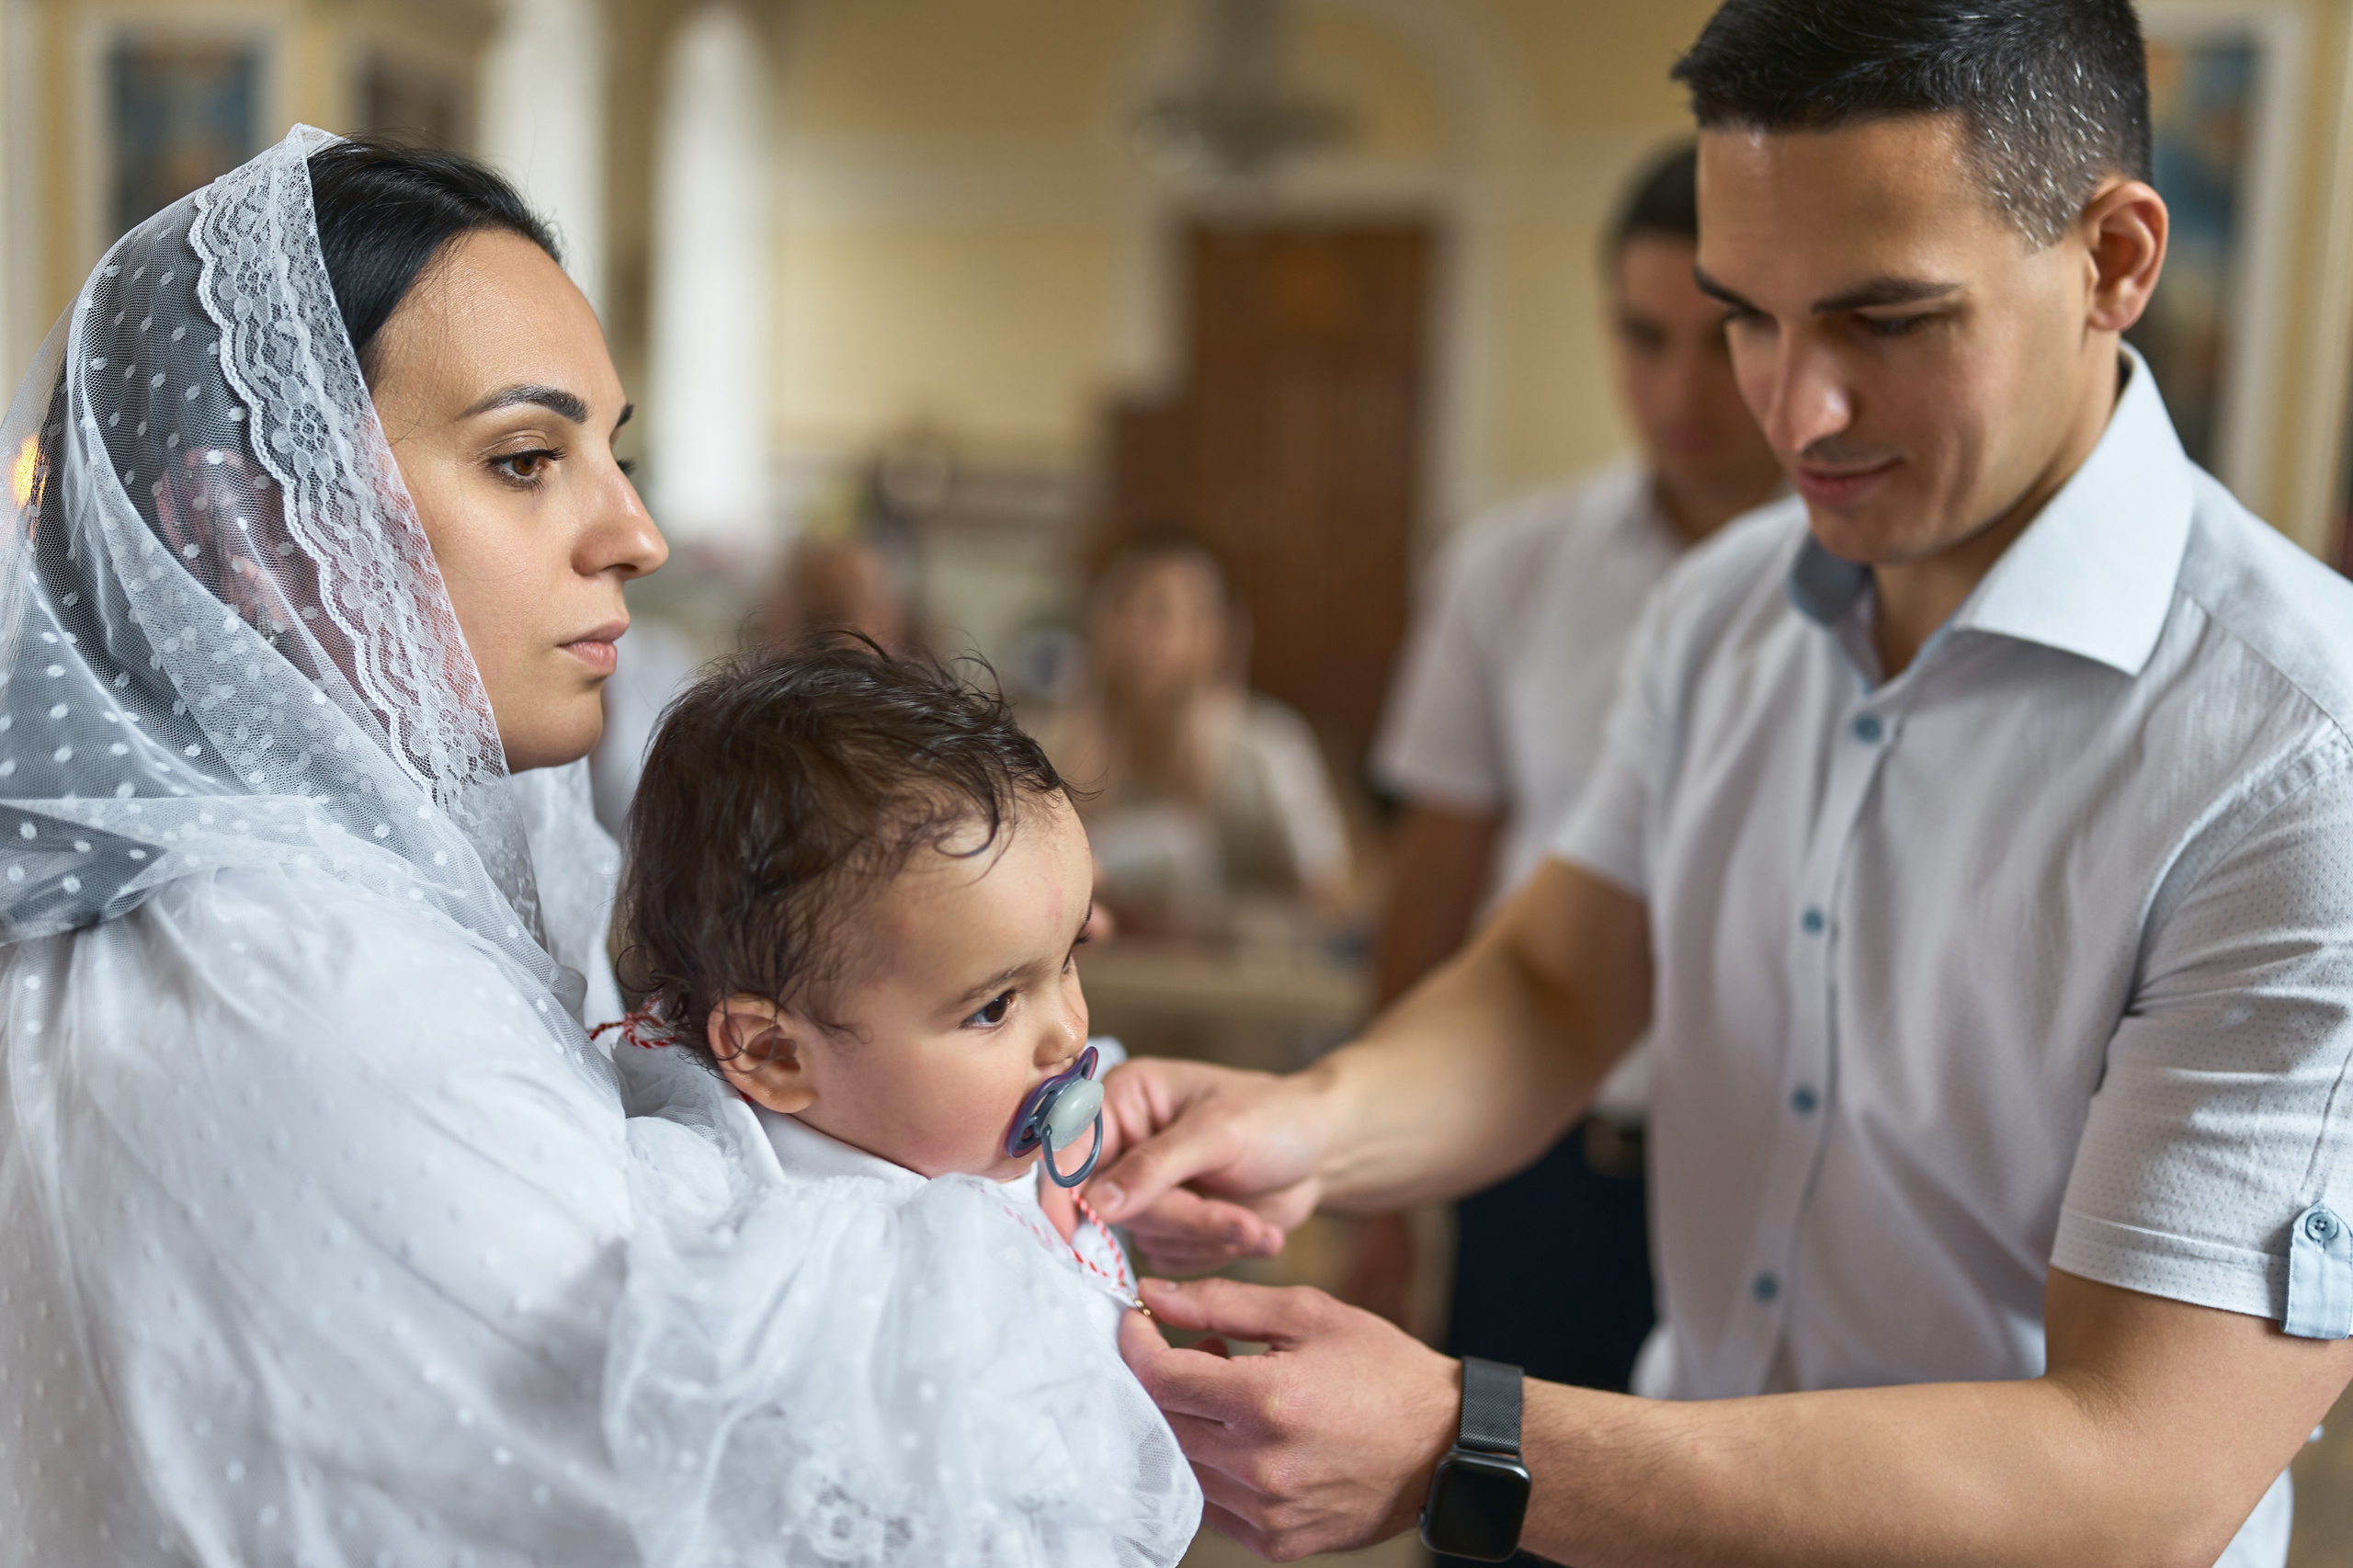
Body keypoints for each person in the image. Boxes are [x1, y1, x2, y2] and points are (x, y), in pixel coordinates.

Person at [1084, 3, 2353, 1562]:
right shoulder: (1728, 603)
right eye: (1747, 311)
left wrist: (1464, 1441)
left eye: (1885, 322)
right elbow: (1561, 985)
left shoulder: (2304, 757)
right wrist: (1316, 1124)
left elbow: (2143, 1466)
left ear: (2115, 261)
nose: (1791, 411)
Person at [0, 129, 1186, 1566]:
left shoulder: (339, 891)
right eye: (522, 458)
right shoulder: (300, 980)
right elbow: (749, 1500)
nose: (635, 532)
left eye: (609, 454)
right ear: (244, 522)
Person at [606, 640, 1199, 1562]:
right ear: (771, 1052)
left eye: (1071, 958)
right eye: (994, 1004)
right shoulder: (806, 1260)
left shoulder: (961, 1107)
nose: (1066, 1032)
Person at [1361, 142, 1781, 1401]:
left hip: (1778, 1167)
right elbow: (1434, 879)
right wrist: (1384, 1187)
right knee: (1505, 1510)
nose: (1678, 386)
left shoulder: (1881, 583)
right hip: (1541, 1148)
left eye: (1722, 339)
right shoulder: (1511, 567)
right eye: (1643, 338)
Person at [1040, 531, 1349, 939]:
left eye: (1159, 612)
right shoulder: (1054, 742)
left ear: (1214, 632)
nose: (1136, 634)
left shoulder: (1266, 749)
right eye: (1119, 608)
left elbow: (1330, 894)